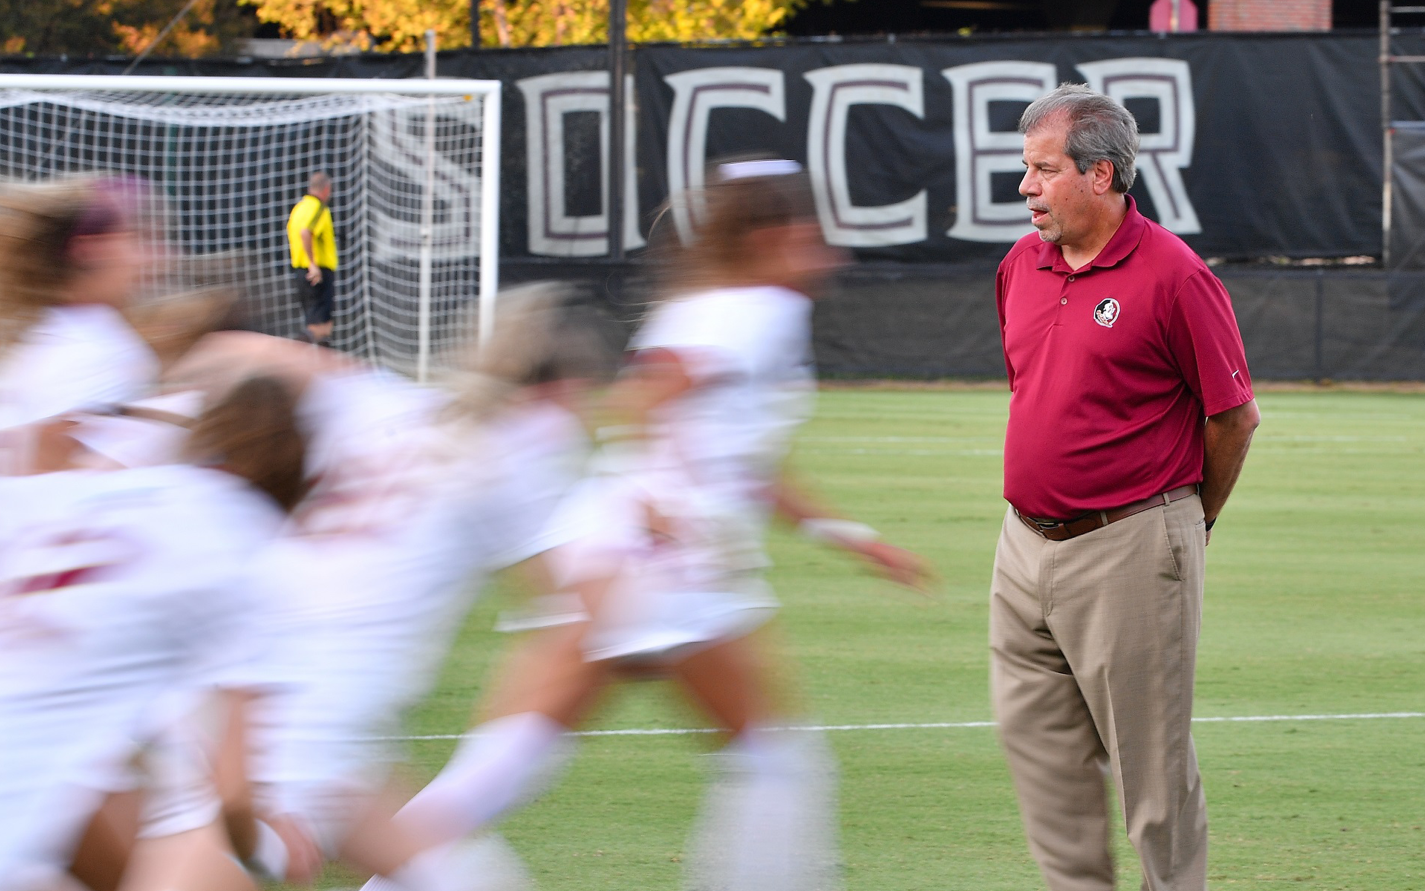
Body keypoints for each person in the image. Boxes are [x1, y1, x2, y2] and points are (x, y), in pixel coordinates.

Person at [366, 160, 932, 891]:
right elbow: (642, 399)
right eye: (810, 236)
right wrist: (672, 504)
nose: (830, 255)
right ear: (767, 238)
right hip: (666, 567)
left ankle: (379, 870)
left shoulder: (706, 304)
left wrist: (848, 536)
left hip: (613, 553)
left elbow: (745, 465)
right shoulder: (759, 310)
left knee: (504, 762)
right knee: (777, 765)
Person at [991, 83, 1260, 891]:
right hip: (1021, 547)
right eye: (1025, 169)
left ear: (1100, 176)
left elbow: (1233, 418)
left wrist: (1185, 521)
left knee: (1151, 773)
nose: (1025, 188)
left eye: (1042, 170)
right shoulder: (1018, 263)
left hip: (1131, 543)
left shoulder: (1174, 275)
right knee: (1040, 753)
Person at [0, 175, 160, 439]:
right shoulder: (105, 352)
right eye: (139, 238)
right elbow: (50, 469)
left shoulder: (30, 331)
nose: (156, 257)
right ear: (89, 249)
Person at [286, 172, 337, 346]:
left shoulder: (298, 208)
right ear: (326, 189)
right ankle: (294, 351)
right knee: (321, 327)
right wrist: (313, 265)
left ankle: (319, 366)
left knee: (319, 325)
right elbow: (305, 232)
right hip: (317, 272)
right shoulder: (319, 208)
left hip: (301, 271)